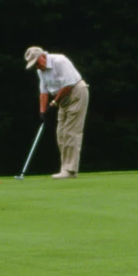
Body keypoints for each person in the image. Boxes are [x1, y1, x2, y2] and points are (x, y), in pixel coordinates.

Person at [24, 46, 90, 178]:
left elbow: (68, 85)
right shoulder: (41, 71)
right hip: (62, 98)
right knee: (61, 133)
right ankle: (65, 168)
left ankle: (70, 170)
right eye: (34, 65)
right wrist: (42, 112)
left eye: (36, 63)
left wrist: (54, 103)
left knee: (70, 132)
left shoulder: (59, 61)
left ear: (42, 56)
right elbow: (43, 92)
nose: (36, 67)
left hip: (76, 93)